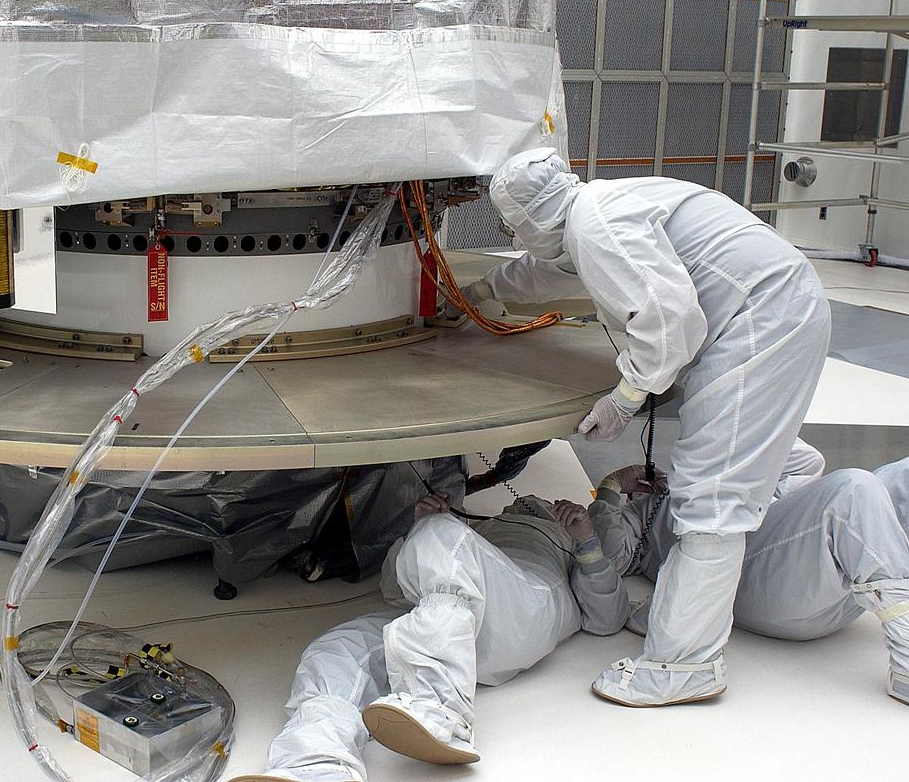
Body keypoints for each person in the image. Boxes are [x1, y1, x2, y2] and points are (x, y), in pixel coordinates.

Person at [465, 148, 833, 706]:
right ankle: (774, 499)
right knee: (737, 451)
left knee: (709, 498)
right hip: (772, 306)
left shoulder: (596, 221)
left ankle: (685, 665)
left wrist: (626, 395)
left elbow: (670, 322)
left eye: (512, 224)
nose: (513, 232)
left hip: (761, 318)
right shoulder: (595, 209)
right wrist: (484, 290)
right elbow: (551, 271)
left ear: (532, 216)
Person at [230, 489, 629, 782]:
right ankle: (315, 762)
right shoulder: (479, 531)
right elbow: (395, 591)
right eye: (521, 500)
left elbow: (607, 618)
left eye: (538, 500)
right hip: (448, 621)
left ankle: (442, 711)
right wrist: (417, 528)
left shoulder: (565, 537)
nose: (528, 499)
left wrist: (586, 539)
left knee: (443, 537)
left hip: (525, 609)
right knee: (337, 649)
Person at [589, 442, 909, 707]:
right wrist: (611, 486)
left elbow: (802, 461)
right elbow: (612, 554)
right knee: (854, 490)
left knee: (894, 479)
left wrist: (719, 454)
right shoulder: (637, 522)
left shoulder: (694, 486)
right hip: (747, 578)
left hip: (819, 572)